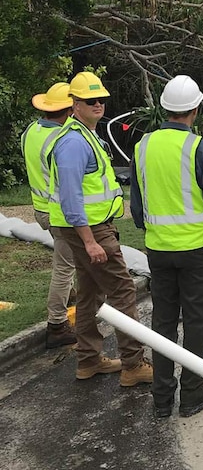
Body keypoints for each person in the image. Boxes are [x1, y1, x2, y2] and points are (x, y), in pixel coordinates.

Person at [130, 75, 203, 419]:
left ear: (164, 109)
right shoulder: (200, 148)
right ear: (196, 110)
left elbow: (138, 206)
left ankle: (161, 399)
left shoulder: (142, 146)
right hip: (199, 252)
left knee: (163, 322)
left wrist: (154, 233)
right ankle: (192, 395)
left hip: (158, 251)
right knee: (198, 323)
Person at [47, 71, 153, 387]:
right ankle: (133, 365)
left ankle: (89, 361)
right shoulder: (72, 143)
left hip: (92, 228)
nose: (98, 105)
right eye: (90, 100)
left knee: (90, 292)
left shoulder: (86, 135)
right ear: (74, 104)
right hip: (91, 231)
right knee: (123, 291)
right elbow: (70, 196)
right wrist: (90, 240)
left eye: (101, 99)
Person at [20, 82, 77, 348]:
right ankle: (57, 324)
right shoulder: (61, 139)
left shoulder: (31, 131)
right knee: (64, 267)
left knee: (68, 260)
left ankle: (69, 296)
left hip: (40, 208)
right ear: (68, 110)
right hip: (58, 212)